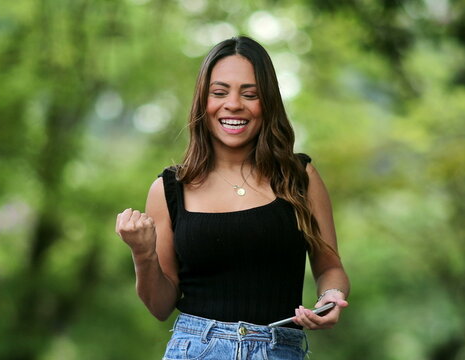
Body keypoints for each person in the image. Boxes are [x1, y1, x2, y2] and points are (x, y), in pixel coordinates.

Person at [115, 36, 350, 360]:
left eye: (250, 94)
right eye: (220, 92)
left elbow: (330, 268)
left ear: (266, 103)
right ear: (203, 101)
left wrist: (330, 298)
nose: (234, 104)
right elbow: (159, 306)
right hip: (196, 350)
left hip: (279, 350)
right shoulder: (170, 188)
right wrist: (143, 254)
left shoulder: (299, 177)